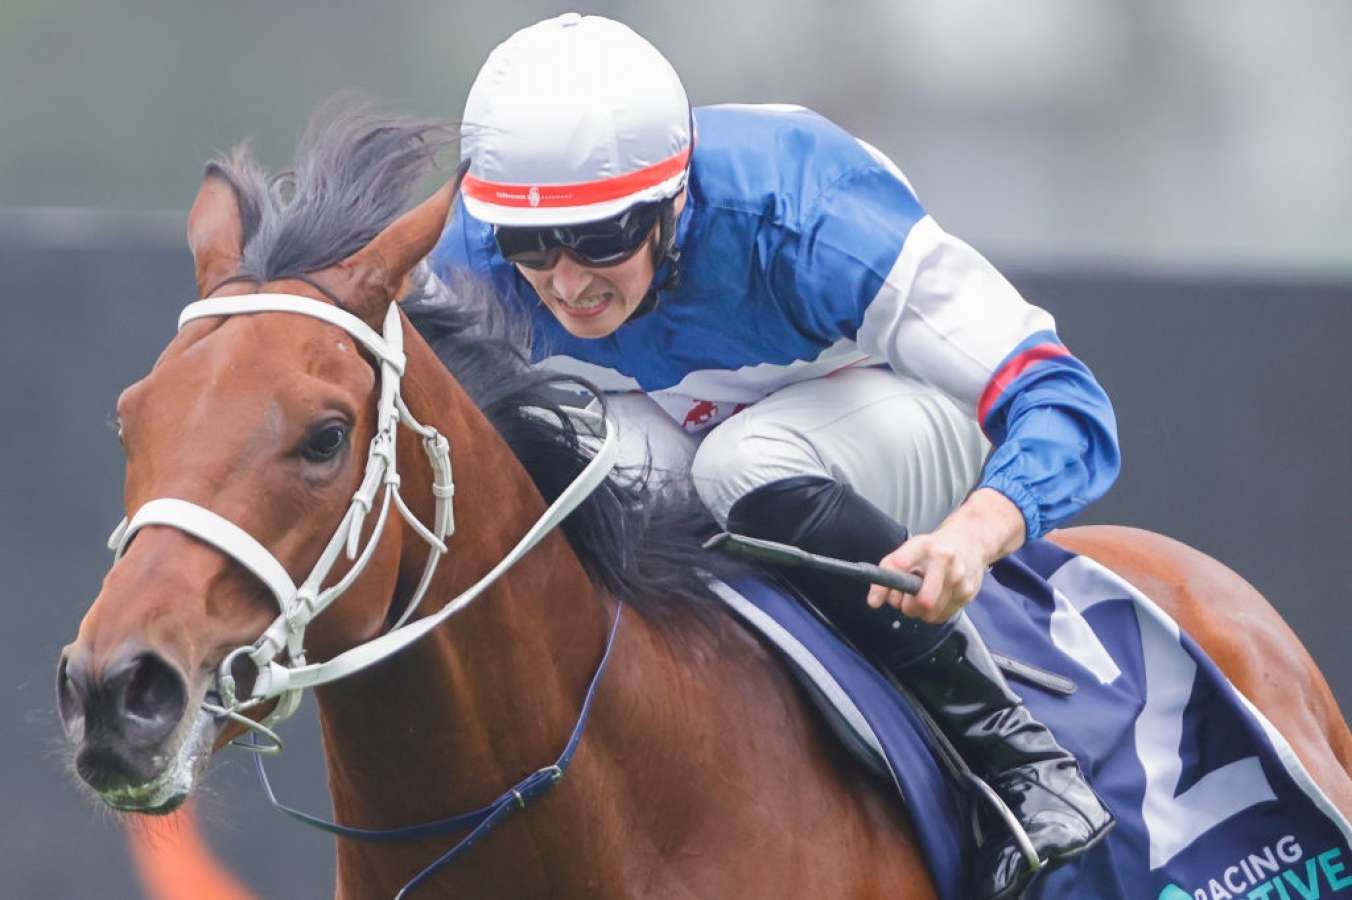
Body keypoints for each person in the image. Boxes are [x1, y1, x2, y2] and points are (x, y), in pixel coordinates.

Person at [430, 13, 1119, 898]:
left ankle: (1018, 758)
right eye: (532, 247)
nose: (567, 281)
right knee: (572, 466)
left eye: (604, 240)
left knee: (741, 463)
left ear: (677, 201)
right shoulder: (472, 257)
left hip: (901, 412)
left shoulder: (807, 211)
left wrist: (974, 536)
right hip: (689, 433)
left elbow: (1066, 400)